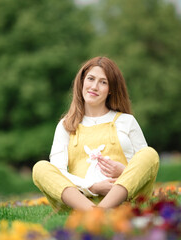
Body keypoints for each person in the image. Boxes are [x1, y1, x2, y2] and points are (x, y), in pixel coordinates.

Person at [32, 56, 159, 212]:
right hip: (79, 203)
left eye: (103, 82)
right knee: (40, 168)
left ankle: (99, 212)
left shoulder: (127, 121)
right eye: (90, 79)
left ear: (111, 89)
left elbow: (144, 168)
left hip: (127, 201)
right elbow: (59, 172)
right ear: (82, 82)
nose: (94, 86)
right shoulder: (65, 125)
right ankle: (93, 211)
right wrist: (93, 187)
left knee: (149, 154)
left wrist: (123, 171)